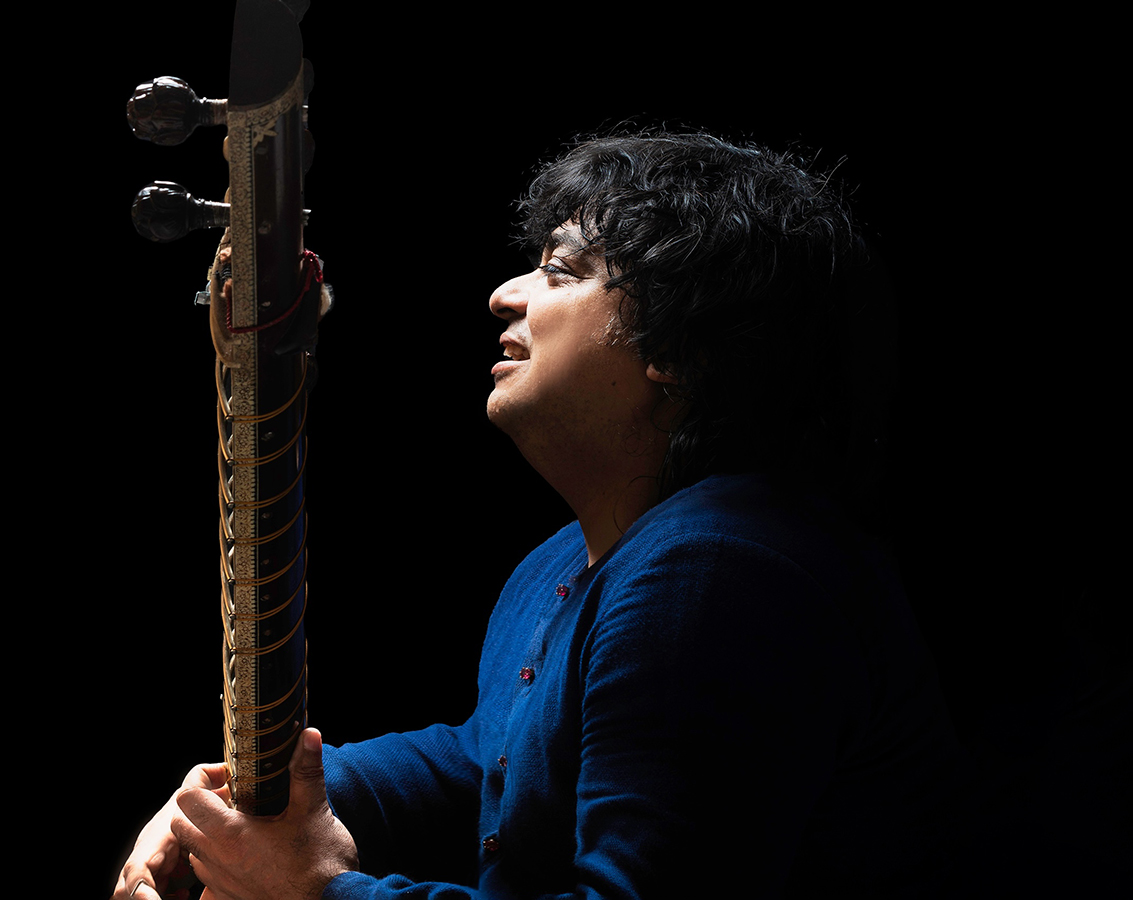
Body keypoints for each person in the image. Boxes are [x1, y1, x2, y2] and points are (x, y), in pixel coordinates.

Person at [113, 130, 964, 900]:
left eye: (561, 270)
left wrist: (319, 894)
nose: (504, 295)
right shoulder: (572, 561)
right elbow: (483, 759)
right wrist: (238, 802)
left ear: (680, 346)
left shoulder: (720, 575)